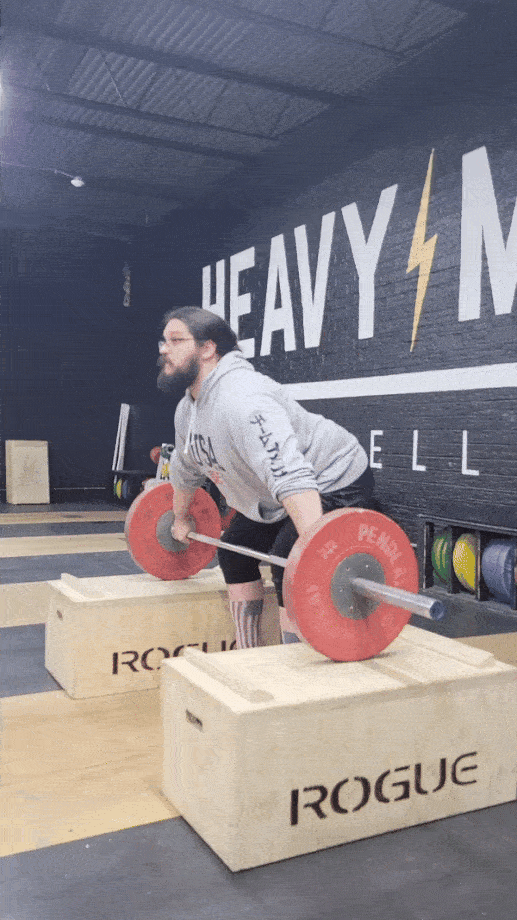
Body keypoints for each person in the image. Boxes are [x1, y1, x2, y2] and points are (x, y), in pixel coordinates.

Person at [158, 306, 376, 648]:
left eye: (176, 340)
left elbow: (292, 476)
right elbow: (186, 471)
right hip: (276, 495)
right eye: (163, 341)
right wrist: (181, 517)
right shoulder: (188, 409)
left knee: (291, 560)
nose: (164, 349)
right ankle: (251, 653)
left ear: (207, 348)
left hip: (333, 478)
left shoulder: (244, 401)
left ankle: (296, 664)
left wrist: (318, 552)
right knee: (234, 552)